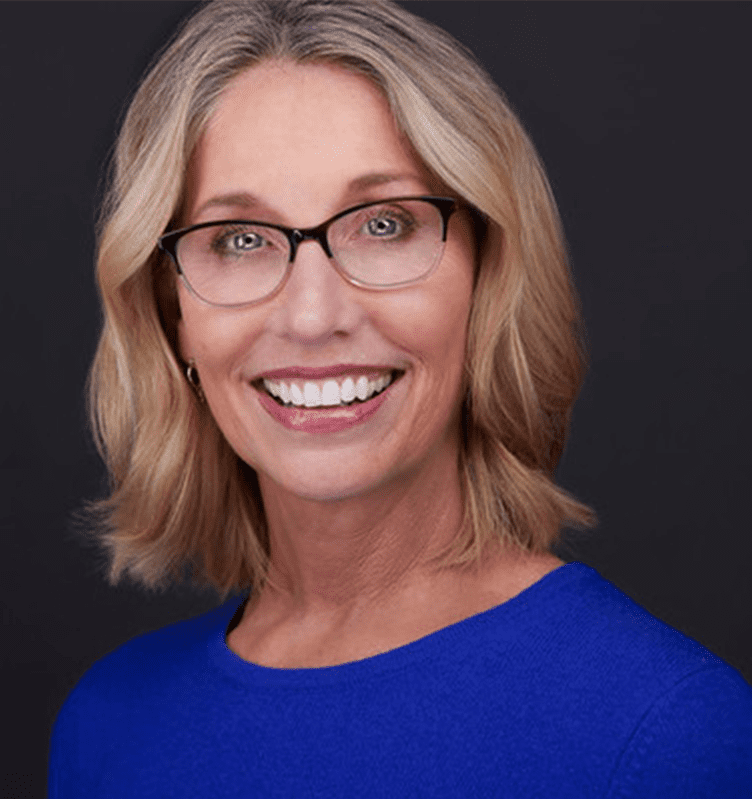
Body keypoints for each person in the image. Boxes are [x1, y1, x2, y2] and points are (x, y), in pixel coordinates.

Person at [48, 1, 752, 796]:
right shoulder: (107, 726)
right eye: (239, 239)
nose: (314, 317)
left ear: (489, 280)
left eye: (384, 224)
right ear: (172, 315)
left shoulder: (666, 735)